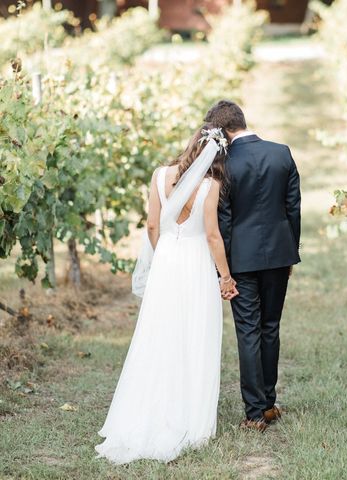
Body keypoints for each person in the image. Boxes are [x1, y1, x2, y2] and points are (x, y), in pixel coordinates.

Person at [95, 124, 237, 464]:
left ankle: (149, 406)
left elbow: (152, 226)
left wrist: (163, 257)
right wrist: (226, 276)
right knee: (195, 335)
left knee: (157, 336)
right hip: (196, 263)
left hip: (167, 263)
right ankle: (191, 419)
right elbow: (213, 237)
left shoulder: (159, 175)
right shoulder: (210, 185)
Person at [205, 100, 301, 432]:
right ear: (242, 122)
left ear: (222, 132)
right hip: (278, 254)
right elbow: (293, 210)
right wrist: (290, 252)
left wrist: (224, 270)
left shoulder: (224, 164)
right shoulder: (282, 153)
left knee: (248, 331)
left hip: (241, 261)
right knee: (270, 326)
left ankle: (255, 413)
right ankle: (269, 402)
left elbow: (225, 221)